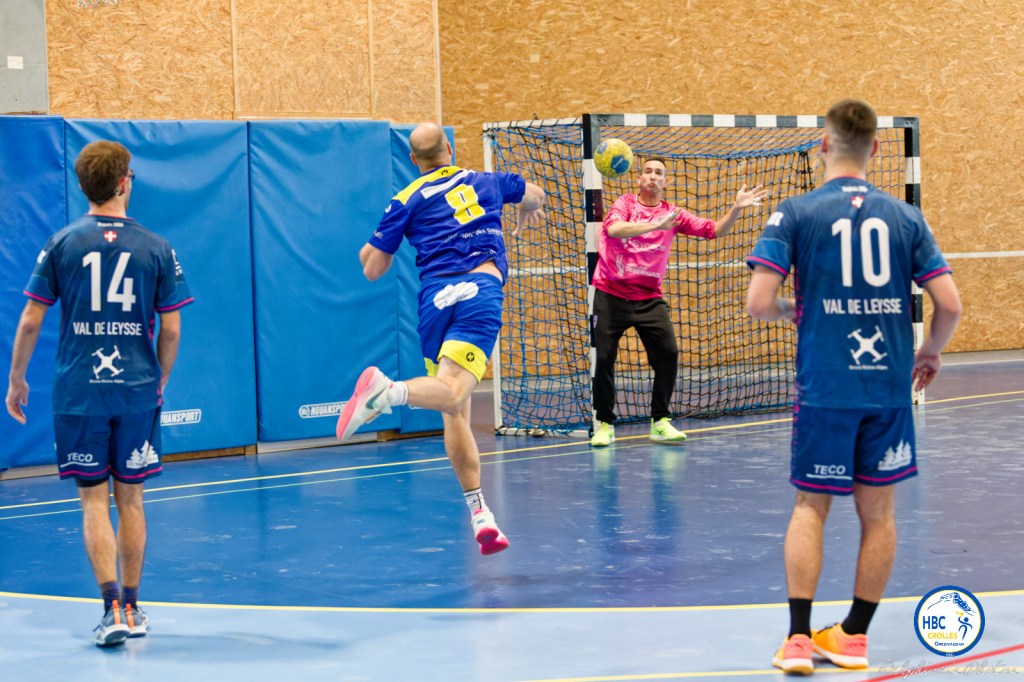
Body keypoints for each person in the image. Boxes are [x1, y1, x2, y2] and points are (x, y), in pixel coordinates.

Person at [745, 99, 961, 674]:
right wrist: (929, 352)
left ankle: (798, 641)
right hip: (886, 388)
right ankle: (854, 638)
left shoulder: (795, 212)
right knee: (879, 515)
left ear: (823, 144)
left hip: (825, 386)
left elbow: (759, 303)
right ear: (877, 149)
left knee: (810, 507)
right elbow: (949, 305)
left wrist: (798, 309)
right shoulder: (906, 218)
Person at [5, 141, 193, 647]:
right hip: (136, 390)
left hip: (79, 391)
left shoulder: (62, 243)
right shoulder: (157, 247)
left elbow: (30, 320)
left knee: (93, 500)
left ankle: (110, 610)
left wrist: (17, 379)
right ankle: (132, 606)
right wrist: (160, 377)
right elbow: (172, 329)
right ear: (124, 182)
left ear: (84, 185)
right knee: (130, 497)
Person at [335, 122, 545, 555]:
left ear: (414, 160)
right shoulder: (488, 181)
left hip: (434, 302)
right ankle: (387, 392)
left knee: (453, 411)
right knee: (453, 394)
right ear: (449, 148)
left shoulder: (405, 199)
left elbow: (372, 268)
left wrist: (375, 243)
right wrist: (527, 208)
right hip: (477, 291)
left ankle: (480, 513)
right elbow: (536, 194)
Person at [590, 157, 767, 446]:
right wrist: (655, 224)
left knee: (668, 353)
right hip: (611, 294)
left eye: (658, 173)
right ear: (639, 178)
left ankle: (660, 422)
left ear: (665, 181)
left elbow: (713, 230)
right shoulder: (625, 204)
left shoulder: (673, 214)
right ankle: (606, 425)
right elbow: (613, 229)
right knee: (605, 358)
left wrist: (736, 208)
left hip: (649, 298)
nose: (652, 176)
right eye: (647, 171)